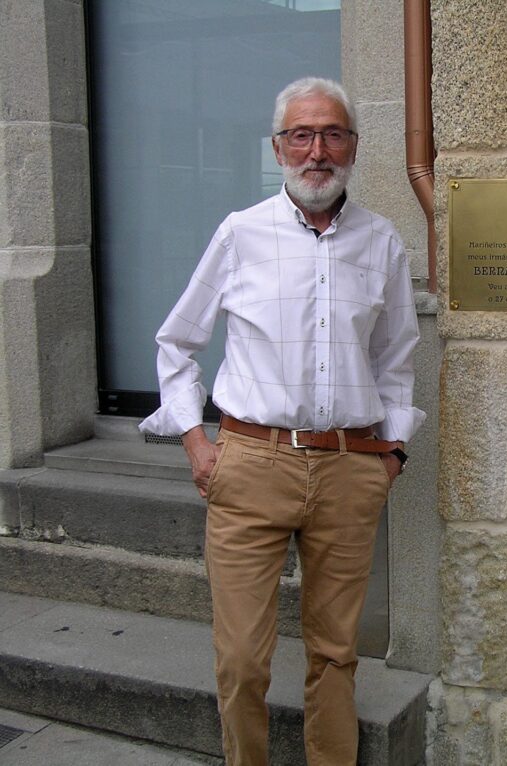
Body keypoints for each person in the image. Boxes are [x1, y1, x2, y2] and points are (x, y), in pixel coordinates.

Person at [140, 77, 424, 766]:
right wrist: (195, 442)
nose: (317, 150)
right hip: (250, 467)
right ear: (277, 147)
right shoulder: (240, 234)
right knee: (241, 660)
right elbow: (176, 343)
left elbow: (396, 358)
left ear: (354, 147)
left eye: (332, 135)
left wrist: (390, 457)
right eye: (301, 135)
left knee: (336, 656)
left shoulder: (381, 243)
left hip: (349, 469)